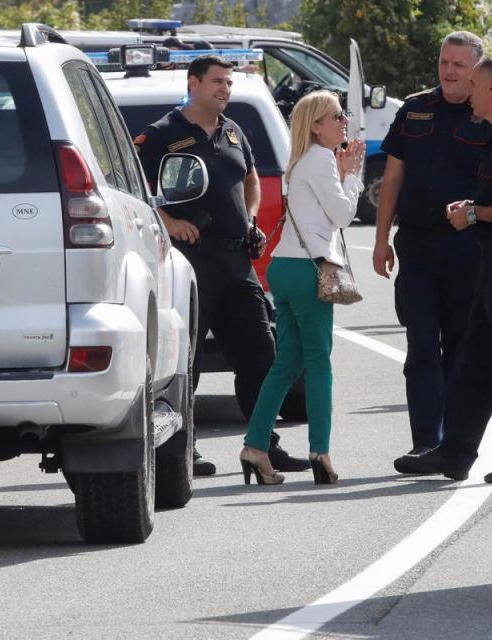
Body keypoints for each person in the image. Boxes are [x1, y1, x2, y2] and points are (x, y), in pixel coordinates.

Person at [134, 55, 309, 477]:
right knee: (185, 361)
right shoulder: (162, 134)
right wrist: (170, 222)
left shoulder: (234, 131)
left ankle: (264, 445)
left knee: (261, 354)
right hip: (190, 263)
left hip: (236, 260)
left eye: (229, 83)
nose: (224, 89)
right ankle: (182, 451)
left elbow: (250, 178)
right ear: (193, 83)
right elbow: (133, 190)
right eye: (217, 82)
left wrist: (251, 219)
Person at [395, 54, 492, 484]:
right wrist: (475, 210)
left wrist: (475, 214)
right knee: (475, 362)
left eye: (475, 86)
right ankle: (456, 451)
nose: (469, 96)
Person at [373, 32, 490, 461]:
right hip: (418, 247)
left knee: (461, 348)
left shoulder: (489, 113)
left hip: (468, 248)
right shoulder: (415, 109)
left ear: (476, 69)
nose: (449, 71)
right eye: (444, 61)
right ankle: (426, 440)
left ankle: (455, 441)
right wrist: (381, 240)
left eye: (459, 65)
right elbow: (393, 179)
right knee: (422, 345)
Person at [240, 91, 364, 486]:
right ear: (316, 125)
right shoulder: (321, 158)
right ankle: (320, 452)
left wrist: (342, 175)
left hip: (284, 268)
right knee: (319, 362)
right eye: (337, 116)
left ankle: (256, 446)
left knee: (287, 362)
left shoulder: (299, 163)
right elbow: (343, 214)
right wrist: (354, 176)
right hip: (309, 270)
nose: (344, 121)